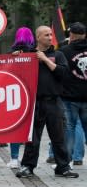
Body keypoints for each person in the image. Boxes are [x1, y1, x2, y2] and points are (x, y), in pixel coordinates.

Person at [17, 26, 77, 178]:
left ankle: (63, 167)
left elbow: (64, 74)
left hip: (54, 102)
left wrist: (44, 59)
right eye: (46, 35)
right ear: (38, 37)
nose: (50, 37)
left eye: (51, 34)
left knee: (59, 137)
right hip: (34, 102)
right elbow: (13, 72)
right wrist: (15, 58)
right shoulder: (28, 55)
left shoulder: (58, 54)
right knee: (33, 138)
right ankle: (28, 166)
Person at [5, 27, 36, 169]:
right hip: (34, 94)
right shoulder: (36, 53)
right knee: (35, 129)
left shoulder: (11, 54)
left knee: (16, 128)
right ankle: (34, 159)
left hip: (15, 95)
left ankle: (14, 158)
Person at [57, 22, 87, 168]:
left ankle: (65, 163)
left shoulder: (64, 51)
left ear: (71, 35)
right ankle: (76, 157)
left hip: (69, 98)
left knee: (69, 129)